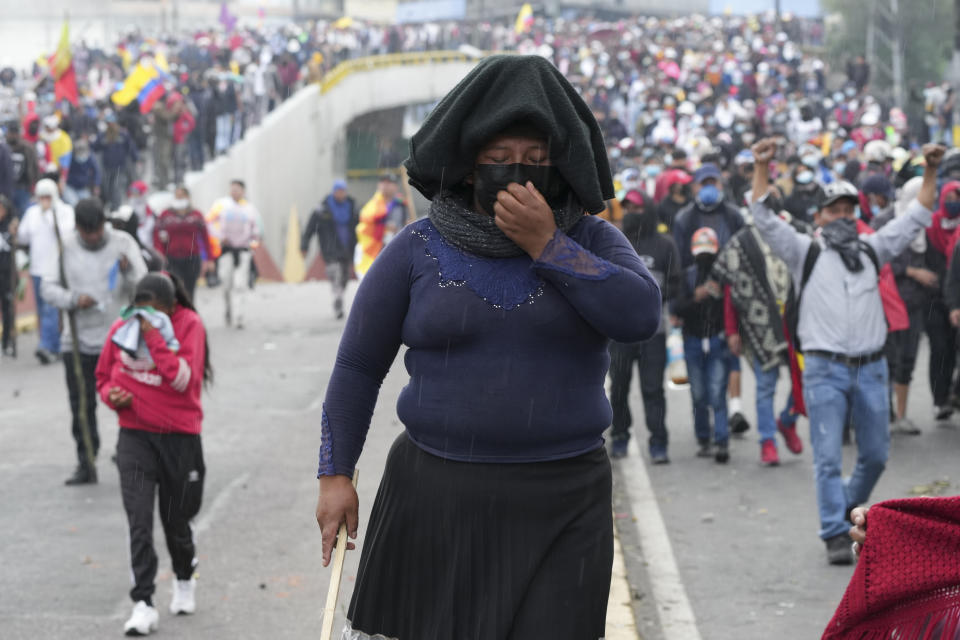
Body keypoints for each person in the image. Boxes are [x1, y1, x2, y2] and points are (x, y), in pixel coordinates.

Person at [315, 55, 661, 640]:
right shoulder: (417, 247)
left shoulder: (592, 238)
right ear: (469, 168)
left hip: (563, 502)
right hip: (434, 498)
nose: (516, 174)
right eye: (498, 161)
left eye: (535, 162)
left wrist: (549, 245)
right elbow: (357, 366)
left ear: (561, 167)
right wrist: (335, 474)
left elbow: (639, 315)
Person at [750, 138, 943, 565]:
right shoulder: (806, 250)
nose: (842, 218)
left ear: (857, 216)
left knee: (875, 455)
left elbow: (918, 216)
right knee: (827, 458)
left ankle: (841, 509)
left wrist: (929, 172)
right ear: (818, 216)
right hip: (823, 369)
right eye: (833, 210)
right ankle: (835, 532)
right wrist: (761, 166)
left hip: (873, 369)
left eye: (848, 211)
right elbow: (762, 216)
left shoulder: (873, 248)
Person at [95, 272, 211, 636]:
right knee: (139, 521)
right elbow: (103, 376)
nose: (145, 318)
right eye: (141, 312)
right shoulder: (122, 326)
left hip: (178, 438)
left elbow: (181, 380)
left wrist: (153, 337)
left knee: (176, 522)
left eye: (155, 313)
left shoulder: (189, 325)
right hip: (134, 437)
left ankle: (183, 576)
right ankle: (143, 602)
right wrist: (111, 394)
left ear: (170, 307)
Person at [41, 198, 147, 485]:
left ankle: (131, 452)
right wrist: (73, 300)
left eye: (98, 230)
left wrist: (127, 272)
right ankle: (86, 460)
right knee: (82, 406)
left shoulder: (122, 243)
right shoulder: (65, 247)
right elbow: (47, 288)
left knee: (129, 401)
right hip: (77, 343)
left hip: (119, 341)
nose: (94, 237)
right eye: (88, 233)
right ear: (78, 229)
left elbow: (144, 284)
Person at [713, 190, 805, 466]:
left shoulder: (793, 232)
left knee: (805, 379)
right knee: (765, 386)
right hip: (760, 325)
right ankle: (767, 442)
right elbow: (731, 289)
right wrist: (731, 330)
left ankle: (787, 420)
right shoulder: (741, 242)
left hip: (796, 321)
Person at [608, 189, 679, 463]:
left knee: (653, 390)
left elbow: (675, 282)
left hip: (654, 332)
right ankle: (620, 437)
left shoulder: (664, 245)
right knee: (619, 389)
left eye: (637, 209)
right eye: (627, 209)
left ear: (647, 210)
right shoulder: (615, 242)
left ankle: (658, 443)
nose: (631, 214)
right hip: (621, 333)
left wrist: (650, 294)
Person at [672, 227, 731, 462]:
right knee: (698, 394)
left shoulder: (722, 276)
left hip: (717, 339)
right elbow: (677, 308)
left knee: (717, 392)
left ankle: (722, 440)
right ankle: (703, 437)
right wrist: (696, 297)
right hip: (693, 340)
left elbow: (730, 307)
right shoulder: (687, 276)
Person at [17, 178, 75, 363]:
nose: (44, 201)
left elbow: (66, 235)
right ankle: (53, 345)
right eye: (41, 197)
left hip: (56, 269)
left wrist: (49, 215)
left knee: (51, 309)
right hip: (37, 268)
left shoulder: (64, 211)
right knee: (42, 310)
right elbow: (23, 236)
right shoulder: (32, 213)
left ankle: (45, 346)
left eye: (47, 197)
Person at [206, 180, 262, 328]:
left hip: (243, 252)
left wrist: (251, 244)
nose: (235, 192)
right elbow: (209, 222)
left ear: (243, 191)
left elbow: (257, 230)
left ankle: (239, 317)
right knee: (226, 283)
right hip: (226, 251)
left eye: (238, 189)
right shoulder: (221, 205)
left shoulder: (250, 209)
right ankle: (228, 309)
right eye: (233, 189)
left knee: (240, 284)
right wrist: (219, 237)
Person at [301, 179, 358, 319]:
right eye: (338, 191)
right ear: (333, 192)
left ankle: (339, 292)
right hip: (329, 248)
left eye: (343, 191)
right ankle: (337, 297)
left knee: (344, 276)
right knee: (334, 272)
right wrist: (304, 245)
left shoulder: (352, 207)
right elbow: (309, 228)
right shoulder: (322, 209)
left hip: (347, 247)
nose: (340, 194)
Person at [154, 186, 213, 300]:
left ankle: (190, 315)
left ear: (188, 197)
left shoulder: (196, 215)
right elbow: (157, 236)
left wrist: (209, 259)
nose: (179, 198)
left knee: (190, 291)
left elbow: (205, 237)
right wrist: (160, 253)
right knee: (176, 290)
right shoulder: (165, 215)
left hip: (192, 258)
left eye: (182, 196)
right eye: (177, 196)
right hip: (172, 258)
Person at [353, 173, 407, 279]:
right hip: (376, 247)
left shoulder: (401, 204)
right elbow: (366, 223)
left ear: (396, 186)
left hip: (395, 246)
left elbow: (406, 222)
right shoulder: (373, 205)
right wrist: (384, 227)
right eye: (383, 182)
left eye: (390, 183)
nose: (386, 186)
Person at [93, 112, 138, 211]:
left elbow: (131, 147)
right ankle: (108, 205)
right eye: (109, 123)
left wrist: (135, 159)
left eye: (112, 123)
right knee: (107, 188)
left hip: (120, 168)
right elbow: (95, 147)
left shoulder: (123, 134)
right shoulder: (102, 135)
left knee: (117, 188)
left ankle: (116, 209)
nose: (111, 125)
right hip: (107, 167)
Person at [6, 121, 38, 216]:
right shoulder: (3, 148)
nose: (13, 135)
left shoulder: (28, 148)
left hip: (23, 188)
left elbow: (35, 168)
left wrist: (33, 186)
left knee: (23, 215)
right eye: (11, 133)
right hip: (7, 188)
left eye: (15, 133)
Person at [0, 194, 17, 356]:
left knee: (8, 309)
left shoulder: (10, 226)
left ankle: (6, 342)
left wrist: (14, 233)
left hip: (7, 274)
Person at [63, 139, 101, 206]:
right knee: (74, 204)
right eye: (80, 153)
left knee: (87, 205)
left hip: (83, 188)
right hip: (70, 186)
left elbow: (96, 171)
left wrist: (96, 185)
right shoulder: (69, 157)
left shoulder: (90, 157)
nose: (81, 156)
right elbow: (63, 171)